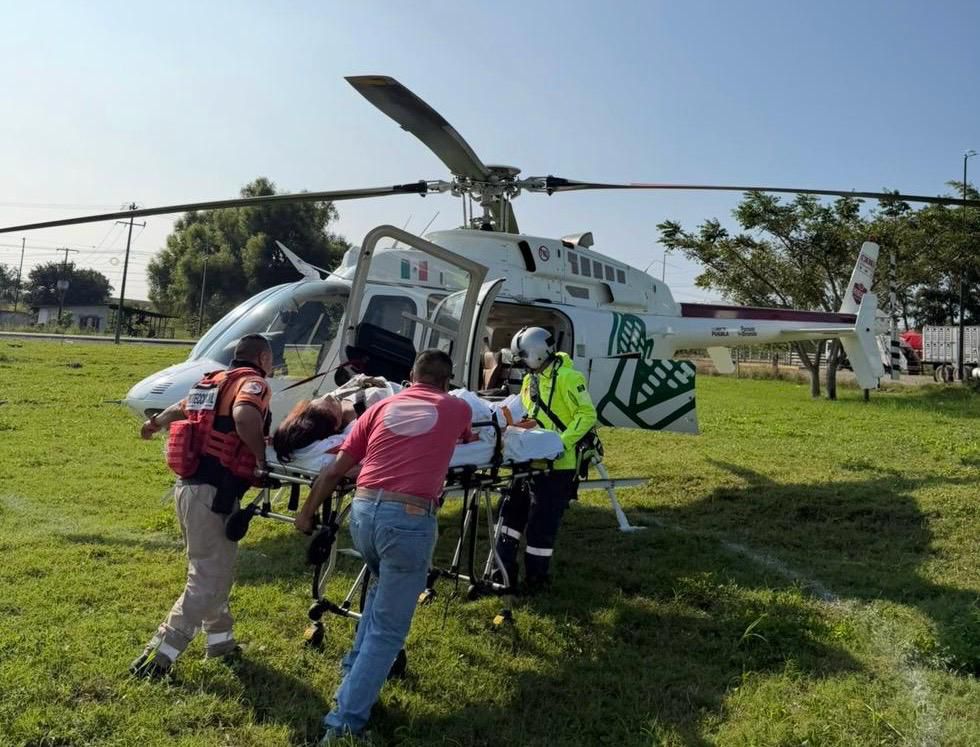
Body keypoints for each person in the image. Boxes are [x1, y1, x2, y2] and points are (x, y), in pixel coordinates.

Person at [293, 350, 475, 742]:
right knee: (389, 629)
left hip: (363, 514)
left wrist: (306, 513)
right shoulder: (456, 407)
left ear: (411, 376)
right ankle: (343, 724)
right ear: (448, 380)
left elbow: (334, 469)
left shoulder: (380, 409)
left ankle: (353, 668)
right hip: (408, 521)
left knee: (379, 590)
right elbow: (467, 438)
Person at [130, 334, 273, 678]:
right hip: (215, 493)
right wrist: (261, 459)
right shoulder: (254, 384)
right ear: (263, 357)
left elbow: (181, 407)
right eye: (271, 359)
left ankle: (221, 642)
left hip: (189, 490)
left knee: (215, 567)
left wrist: (153, 424)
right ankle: (158, 656)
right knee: (207, 577)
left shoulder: (211, 381)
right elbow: (244, 418)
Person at [494, 326, 597, 593]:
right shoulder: (531, 380)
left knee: (542, 525)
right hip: (529, 460)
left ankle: (536, 580)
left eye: (523, 356)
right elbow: (531, 412)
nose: (522, 364)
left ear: (537, 353)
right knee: (509, 515)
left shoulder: (569, 378)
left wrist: (559, 443)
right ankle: (502, 573)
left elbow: (587, 415)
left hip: (558, 465)